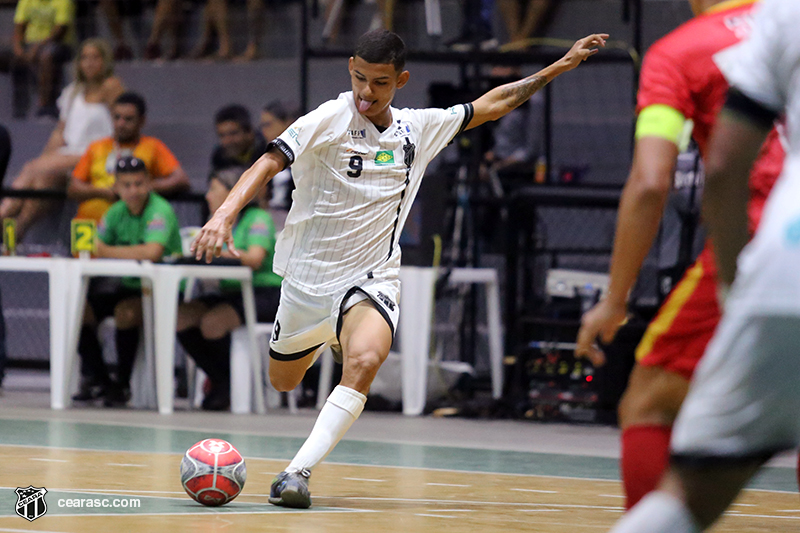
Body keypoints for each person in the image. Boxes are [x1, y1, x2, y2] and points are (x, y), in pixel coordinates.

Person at [192, 28, 606, 508]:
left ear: (401, 80)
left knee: (366, 360)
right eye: (359, 78)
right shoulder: (330, 117)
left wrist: (558, 66)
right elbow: (267, 163)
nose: (367, 93)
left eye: (380, 83)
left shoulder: (418, 129)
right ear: (350, 68)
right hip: (307, 280)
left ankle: (295, 473)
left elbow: (491, 105)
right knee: (282, 380)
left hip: (371, 277)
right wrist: (223, 214)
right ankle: (329, 337)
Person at [574, 0, 786, 510]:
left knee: (649, 402)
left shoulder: (681, 52)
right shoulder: (790, 23)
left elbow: (651, 182)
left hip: (772, 238)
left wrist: (614, 299)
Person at [73, 155, 182, 406]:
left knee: (126, 313)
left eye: (139, 183)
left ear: (149, 183)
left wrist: (106, 251)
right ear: (116, 187)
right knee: (79, 312)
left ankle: (123, 383)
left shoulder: (160, 210)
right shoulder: (114, 212)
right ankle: (102, 381)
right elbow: (92, 247)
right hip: (123, 285)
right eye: (126, 185)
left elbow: (152, 252)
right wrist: (104, 250)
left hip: (158, 291)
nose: (133, 190)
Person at [176, 166, 281, 411]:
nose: (207, 195)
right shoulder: (218, 223)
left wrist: (215, 250)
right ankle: (222, 380)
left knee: (213, 322)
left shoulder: (258, 218)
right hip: (233, 292)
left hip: (265, 293)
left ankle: (228, 386)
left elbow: (254, 258)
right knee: (182, 317)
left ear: (232, 192)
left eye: (213, 189)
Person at [0, 39, 124, 240]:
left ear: (105, 60)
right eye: (84, 58)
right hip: (69, 155)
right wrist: (45, 161)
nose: (89, 63)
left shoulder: (111, 86)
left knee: (34, 167)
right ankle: (16, 233)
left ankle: (2, 214)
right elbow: (60, 133)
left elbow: (121, 123)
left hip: (98, 154)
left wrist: (42, 164)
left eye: (95, 57)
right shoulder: (72, 91)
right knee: (43, 179)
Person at [68, 92, 190, 223]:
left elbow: (180, 179)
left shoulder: (152, 146)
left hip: (133, 226)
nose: (121, 124)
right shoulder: (96, 147)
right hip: (90, 225)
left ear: (141, 121)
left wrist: (139, 189)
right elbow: (74, 187)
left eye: (128, 119)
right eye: (116, 117)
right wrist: (105, 192)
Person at [1, 0, 76, 118]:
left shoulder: (63, 1)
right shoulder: (26, 1)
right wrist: (19, 50)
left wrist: (36, 48)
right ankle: (19, 108)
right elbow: (19, 27)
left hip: (59, 45)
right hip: (30, 44)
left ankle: (45, 105)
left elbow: (59, 31)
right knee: (14, 59)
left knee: (47, 55)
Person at [259, 100, 297, 211]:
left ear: (287, 123)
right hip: (269, 218)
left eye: (268, 125)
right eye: (262, 126)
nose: (263, 131)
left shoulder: (305, 153)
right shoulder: (263, 151)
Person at [212, 104, 267, 173]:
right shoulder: (220, 158)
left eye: (233, 133)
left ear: (249, 132)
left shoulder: (267, 151)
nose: (227, 141)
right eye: (222, 135)